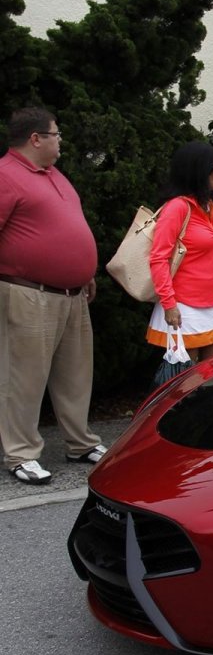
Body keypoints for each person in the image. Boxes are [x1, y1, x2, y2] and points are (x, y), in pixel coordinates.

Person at [0, 108, 106, 484]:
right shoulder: (6, 175)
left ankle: (80, 443)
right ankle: (21, 454)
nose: (60, 140)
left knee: (75, 374)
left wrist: (83, 271)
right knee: (24, 377)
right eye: (56, 134)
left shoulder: (53, 174)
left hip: (72, 293)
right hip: (29, 294)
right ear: (35, 139)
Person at [146, 142, 213, 361]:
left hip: (212, 304)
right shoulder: (176, 207)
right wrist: (169, 304)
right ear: (197, 171)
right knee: (187, 382)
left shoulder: (210, 206)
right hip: (183, 306)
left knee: (212, 375)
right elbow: (158, 258)